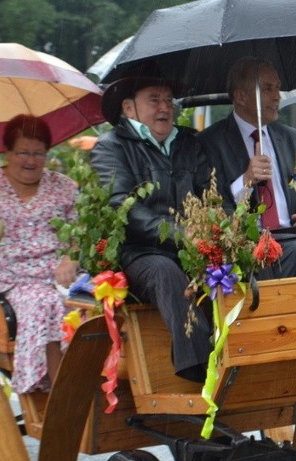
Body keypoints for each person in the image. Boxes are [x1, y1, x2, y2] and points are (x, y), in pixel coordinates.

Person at [90, 73, 213, 383]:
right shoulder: (110, 146)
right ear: (129, 108)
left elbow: (212, 195)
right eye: (154, 100)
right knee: (165, 271)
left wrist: (223, 229)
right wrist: (182, 236)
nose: (164, 108)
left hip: (194, 247)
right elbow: (122, 207)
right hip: (140, 252)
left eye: (169, 100)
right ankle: (203, 367)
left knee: (241, 266)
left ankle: (253, 352)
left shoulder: (189, 142)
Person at [0, 114, 79, 394]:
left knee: (100, 305)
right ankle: (64, 398)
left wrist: (71, 258)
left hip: (63, 280)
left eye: (38, 153)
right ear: (7, 152)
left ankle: (94, 388)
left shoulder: (64, 186)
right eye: (22, 153)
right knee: (45, 302)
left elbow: (82, 235)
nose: (30, 161)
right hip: (13, 284)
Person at [198, 57, 296, 279]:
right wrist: (246, 180)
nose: (277, 97)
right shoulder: (210, 142)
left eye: (278, 88)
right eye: (267, 89)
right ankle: (289, 313)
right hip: (247, 244)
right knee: (294, 249)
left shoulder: (290, 137)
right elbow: (211, 205)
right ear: (240, 96)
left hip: (292, 234)